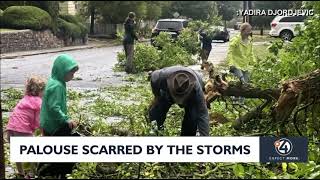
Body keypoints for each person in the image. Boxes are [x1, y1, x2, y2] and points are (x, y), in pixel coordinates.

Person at [38, 54, 79, 178]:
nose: (73, 76)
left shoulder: (55, 81)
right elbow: (54, 107)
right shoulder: (57, 86)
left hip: (48, 122)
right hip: (53, 124)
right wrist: (66, 120)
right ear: (62, 71)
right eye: (70, 73)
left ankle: (48, 169)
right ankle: (54, 171)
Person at [148, 66, 209, 136]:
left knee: (192, 117)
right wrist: (157, 95)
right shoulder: (162, 77)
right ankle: (155, 134)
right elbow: (154, 77)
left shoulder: (196, 91)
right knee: (156, 111)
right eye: (177, 96)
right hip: (168, 93)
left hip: (191, 93)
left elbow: (203, 114)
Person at [6, 75, 46, 178]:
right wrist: (42, 132)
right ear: (39, 91)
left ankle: (20, 172)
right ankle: (32, 174)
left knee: (16, 152)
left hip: (11, 128)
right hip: (22, 130)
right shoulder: (38, 102)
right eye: (43, 91)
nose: (44, 93)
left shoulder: (25, 99)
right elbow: (38, 121)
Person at [226, 23, 255, 104]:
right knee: (242, 81)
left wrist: (254, 62)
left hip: (245, 65)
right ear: (243, 30)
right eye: (248, 30)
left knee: (245, 85)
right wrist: (231, 63)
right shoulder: (235, 40)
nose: (250, 32)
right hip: (236, 64)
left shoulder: (249, 40)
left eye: (250, 30)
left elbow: (251, 52)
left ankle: (240, 103)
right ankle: (235, 99)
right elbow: (230, 52)